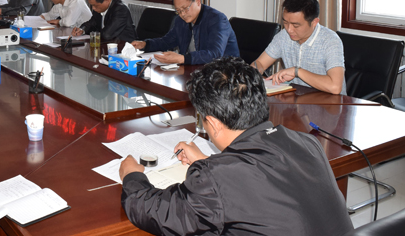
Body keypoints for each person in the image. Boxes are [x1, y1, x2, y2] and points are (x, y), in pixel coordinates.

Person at [118, 57, 353, 236]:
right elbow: (259, 183)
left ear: (213, 123)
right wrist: (206, 162)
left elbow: (156, 212)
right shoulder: (307, 142)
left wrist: (132, 176)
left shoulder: (217, 178)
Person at [252, 0, 346, 95]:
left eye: (296, 25)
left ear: (314, 22)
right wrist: (254, 70)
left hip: (330, 102)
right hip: (297, 99)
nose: (289, 29)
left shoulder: (330, 41)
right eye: (285, 22)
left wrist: (297, 71)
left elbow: (335, 87)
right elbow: (260, 63)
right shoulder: (283, 36)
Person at [131, 0, 239, 65]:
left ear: (197, 1)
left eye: (185, 8)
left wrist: (182, 58)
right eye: (178, 11)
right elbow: (167, 41)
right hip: (197, 70)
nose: (182, 14)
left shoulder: (217, 20)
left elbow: (215, 54)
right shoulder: (180, 21)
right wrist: (145, 44)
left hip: (226, 74)